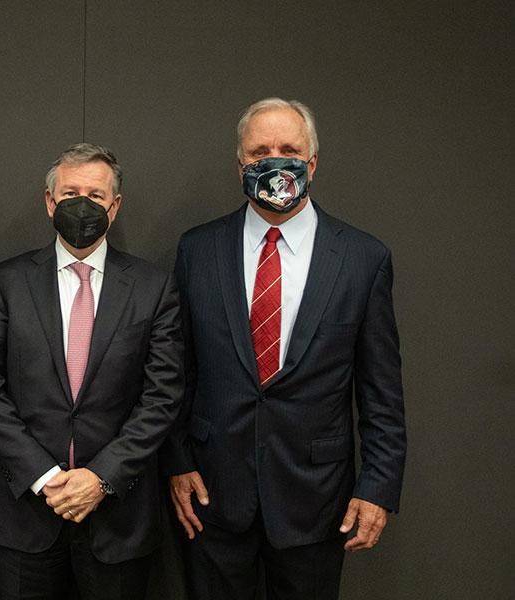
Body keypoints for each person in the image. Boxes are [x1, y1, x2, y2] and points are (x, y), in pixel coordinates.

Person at [163, 98, 406, 599]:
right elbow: (175, 372)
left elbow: (381, 390)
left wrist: (377, 488)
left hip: (316, 501)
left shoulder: (363, 259)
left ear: (312, 162)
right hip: (212, 495)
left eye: (290, 149)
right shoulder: (197, 250)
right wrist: (176, 461)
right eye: (259, 152)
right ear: (240, 166)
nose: (275, 161)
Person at [0, 143, 184, 600]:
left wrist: (101, 477)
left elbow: (162, 395)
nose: (82, 205)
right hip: (25, 513)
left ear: (115, 206)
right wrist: (45, 477)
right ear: (49, 202)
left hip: (117, 516)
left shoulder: (153, 287)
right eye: (70, 194)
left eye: (96, 195)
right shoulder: (7, 282)